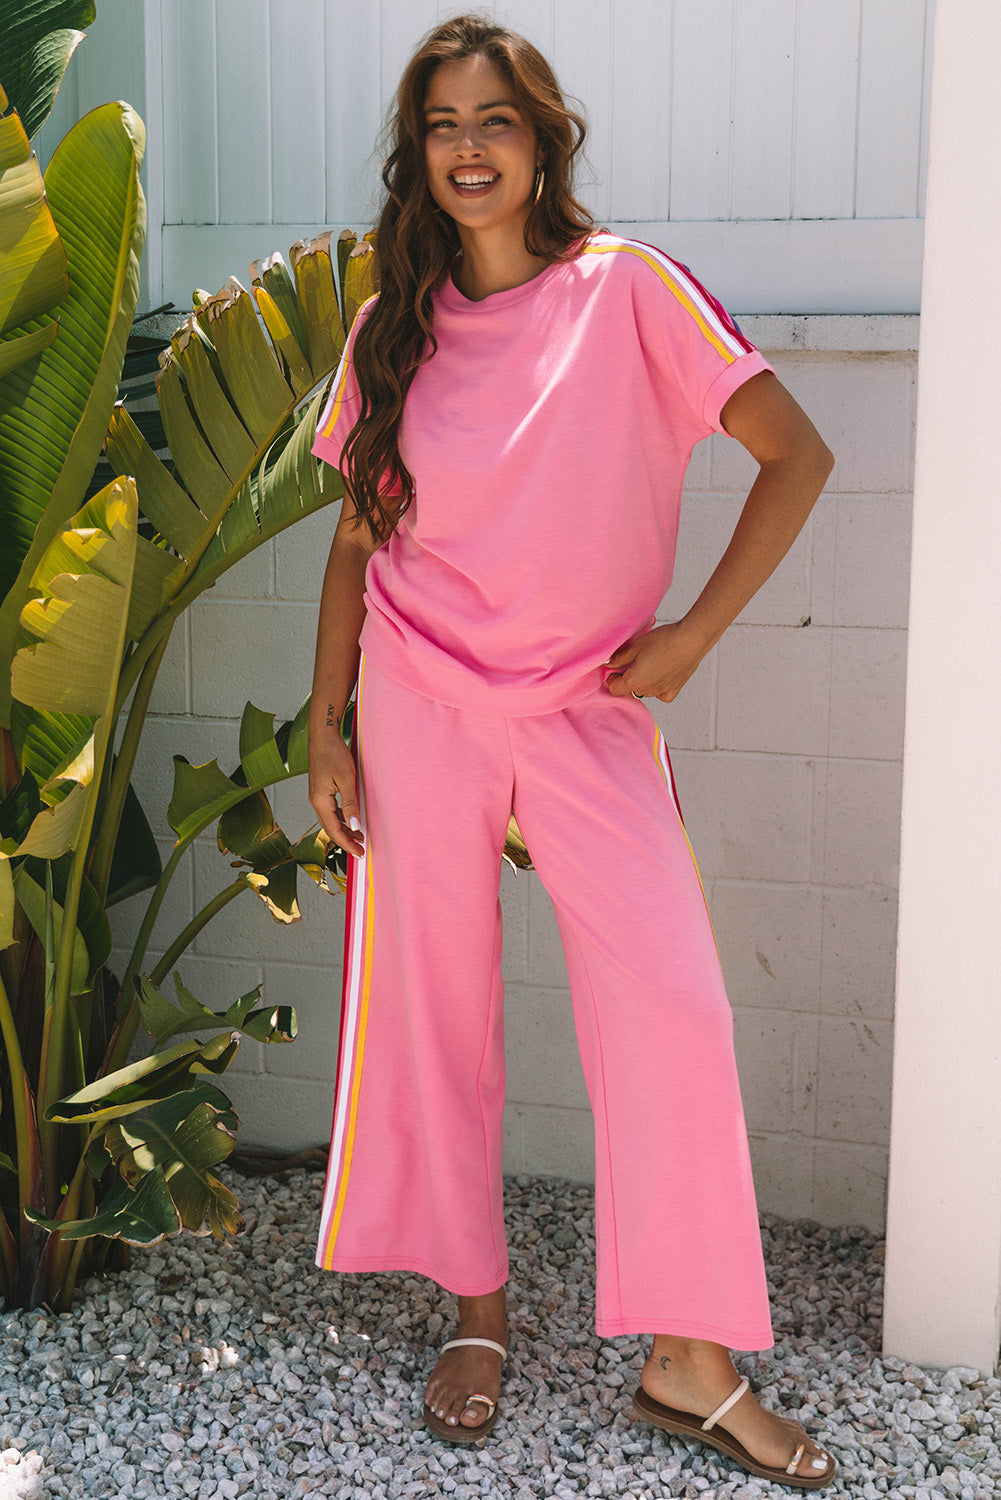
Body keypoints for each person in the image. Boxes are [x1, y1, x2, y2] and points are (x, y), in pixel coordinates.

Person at [307, 13, 836, 1490]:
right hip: (418, 703)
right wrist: (327, 725)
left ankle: (689, 1360)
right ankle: (476, 1314)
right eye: (442, 125)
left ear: (544, 141)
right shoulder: (392, 324)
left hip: (588, 709)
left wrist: (693, 637)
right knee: (434, 1011)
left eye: (496, 120)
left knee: (671, 1006)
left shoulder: (629, 290)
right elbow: (355, 544)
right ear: (417, 155)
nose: (469, 149)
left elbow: (796, 453)